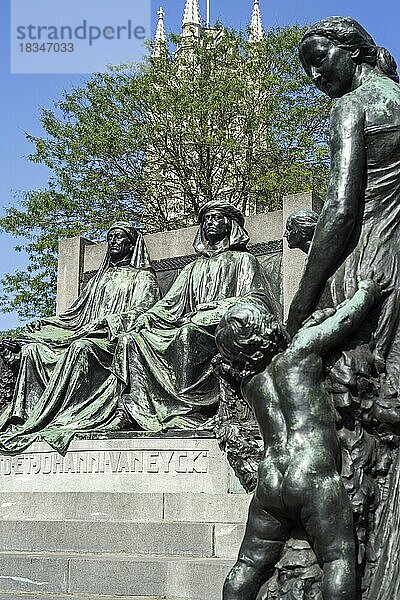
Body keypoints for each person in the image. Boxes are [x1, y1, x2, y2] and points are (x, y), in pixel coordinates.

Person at [215, 279, 382, 600]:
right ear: (264, 327)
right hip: (311, 474)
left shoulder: (250, 383)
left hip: (271, 480)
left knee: (248, 564)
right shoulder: (300, 352)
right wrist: (367, 292)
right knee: (337, 557)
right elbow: (346, 320)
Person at [287, 17, 400, 389]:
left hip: (370, 261)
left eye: (318, 60)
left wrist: (302, 301)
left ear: (351, 49)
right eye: (307, 70)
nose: (315, 76)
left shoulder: (352, 107)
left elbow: (340, 209)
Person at [113, 199, 279, 432]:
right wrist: (147, 317)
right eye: (206, 219)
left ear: (228, 224)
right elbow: (169, 304)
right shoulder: (192, 268)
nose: (210, 223)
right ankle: (134, 408)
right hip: (189, 325)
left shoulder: (243, 260)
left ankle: (189, 409)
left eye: (216, 217)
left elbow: (256, 299)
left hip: (220, 332)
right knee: (131, 339)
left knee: (187, 334)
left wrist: (215, 310)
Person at [0, 222, 160, 453]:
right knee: (32, 350)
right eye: (110, 237)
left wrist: (107, 322)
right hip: (83, 333)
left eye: (119, 237)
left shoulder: (142, 277)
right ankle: (24, 417)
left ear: (131, 244)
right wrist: (44, 323)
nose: (113, 241)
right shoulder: (98, 280)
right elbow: (73, 315)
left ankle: (70, 416)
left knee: (81, 347)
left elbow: (145, 311)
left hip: (112, 341)